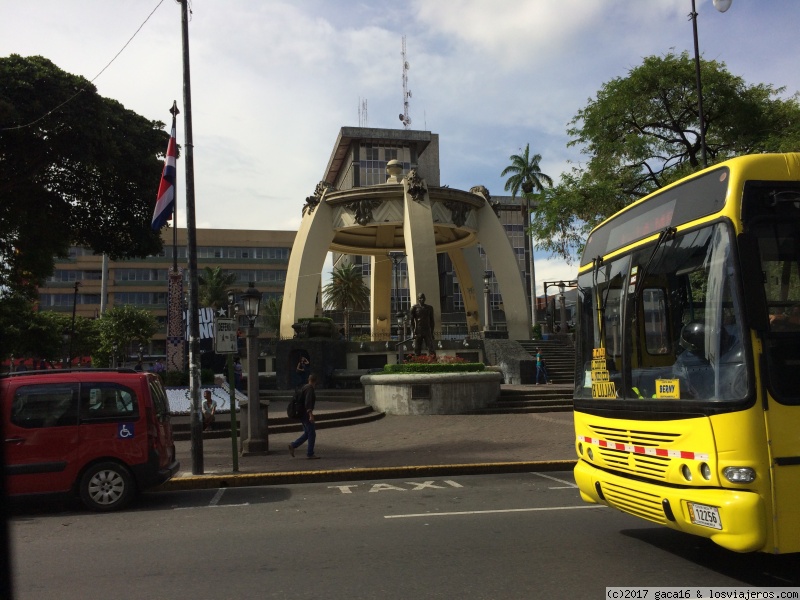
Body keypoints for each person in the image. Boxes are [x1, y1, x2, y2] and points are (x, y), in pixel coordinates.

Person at [288, 373, 320, 459]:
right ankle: (310, 453)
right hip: (305, 414)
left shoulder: (304, 387)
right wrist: (311, 415)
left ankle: (293, 445)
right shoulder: (310, 389)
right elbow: (308, 402)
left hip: (301, 413)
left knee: (307, 433)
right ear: (316, 381)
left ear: (309, 380)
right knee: (312, 433)